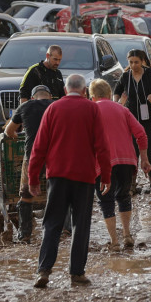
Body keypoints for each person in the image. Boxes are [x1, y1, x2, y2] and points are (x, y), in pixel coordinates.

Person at [29, 74, 111, 288]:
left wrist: (33, 177)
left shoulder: (53, 109)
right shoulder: (92, 109)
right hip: (84, 177)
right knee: (80, 224)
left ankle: (44, 271)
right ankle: (76, 273)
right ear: (85, 91)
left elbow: (39, 147)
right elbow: (102, 145)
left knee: (52, 223)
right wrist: (106, 175)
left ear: (65, 90)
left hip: (57, 176)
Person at [88, 79, 149, 248]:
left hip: (102, 164)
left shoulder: (91, 111)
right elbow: (141, 134)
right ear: (109, 94)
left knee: (105, 201)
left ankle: (114, 241)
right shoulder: (123, 110)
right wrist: (144, 158)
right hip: (126, 161)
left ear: (92, 97)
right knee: (123, 196)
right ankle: (128, 235)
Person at [4, 85, 54, 243]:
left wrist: (17, 136)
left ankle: (25, 234)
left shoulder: (25, 106)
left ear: (33, 97)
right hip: (55, 156)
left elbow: (8, 131)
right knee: (59, 192)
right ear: (50, 96)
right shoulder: (55, 106)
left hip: (32, 155)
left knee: (26, 195)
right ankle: (63, 231)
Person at [114, 49, 151, 193]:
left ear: (142, 61)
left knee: (149, 152)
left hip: (150, 119)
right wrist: (116, 102)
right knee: (132, 153)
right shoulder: (126, 77)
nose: (133, 65)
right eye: (131, 62)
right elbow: (117, 90)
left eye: (136, 62)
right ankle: (131, 186)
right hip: (131, 119)